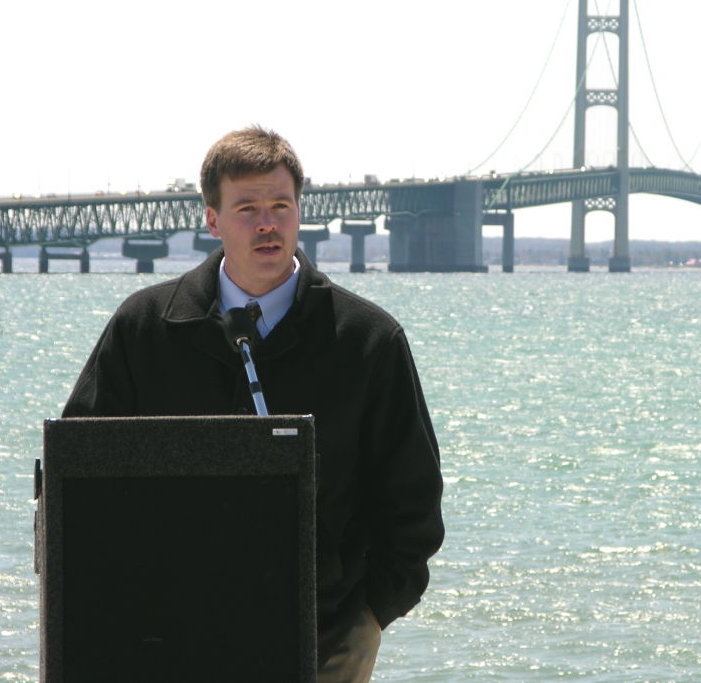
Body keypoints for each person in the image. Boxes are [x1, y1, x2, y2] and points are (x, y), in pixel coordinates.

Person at [62, 125, 444, 682]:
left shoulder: (369, 340)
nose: (268, 223)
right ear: (212, 219)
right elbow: (78, 475)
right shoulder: (143, 329)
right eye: (247, 208)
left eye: (281, 205)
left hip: (327, 633)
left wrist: (371, 614)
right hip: (164, 633)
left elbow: (413, 499)